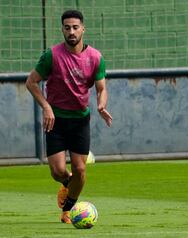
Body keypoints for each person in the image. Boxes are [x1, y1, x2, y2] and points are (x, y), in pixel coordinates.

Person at [26, 9, 112, 224]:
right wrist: (46, 107)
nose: (71, 31)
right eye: (67, 28)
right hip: (55, 120)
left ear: (83, 28)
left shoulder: (95, 57)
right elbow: (31, 82)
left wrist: (101, 105)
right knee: (57, 172)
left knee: (80, 169)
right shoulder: (51, 55)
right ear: (62, 30)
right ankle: (68, 184)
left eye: (75, 27)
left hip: (80, 120)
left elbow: (101, 88)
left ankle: (68, 210)